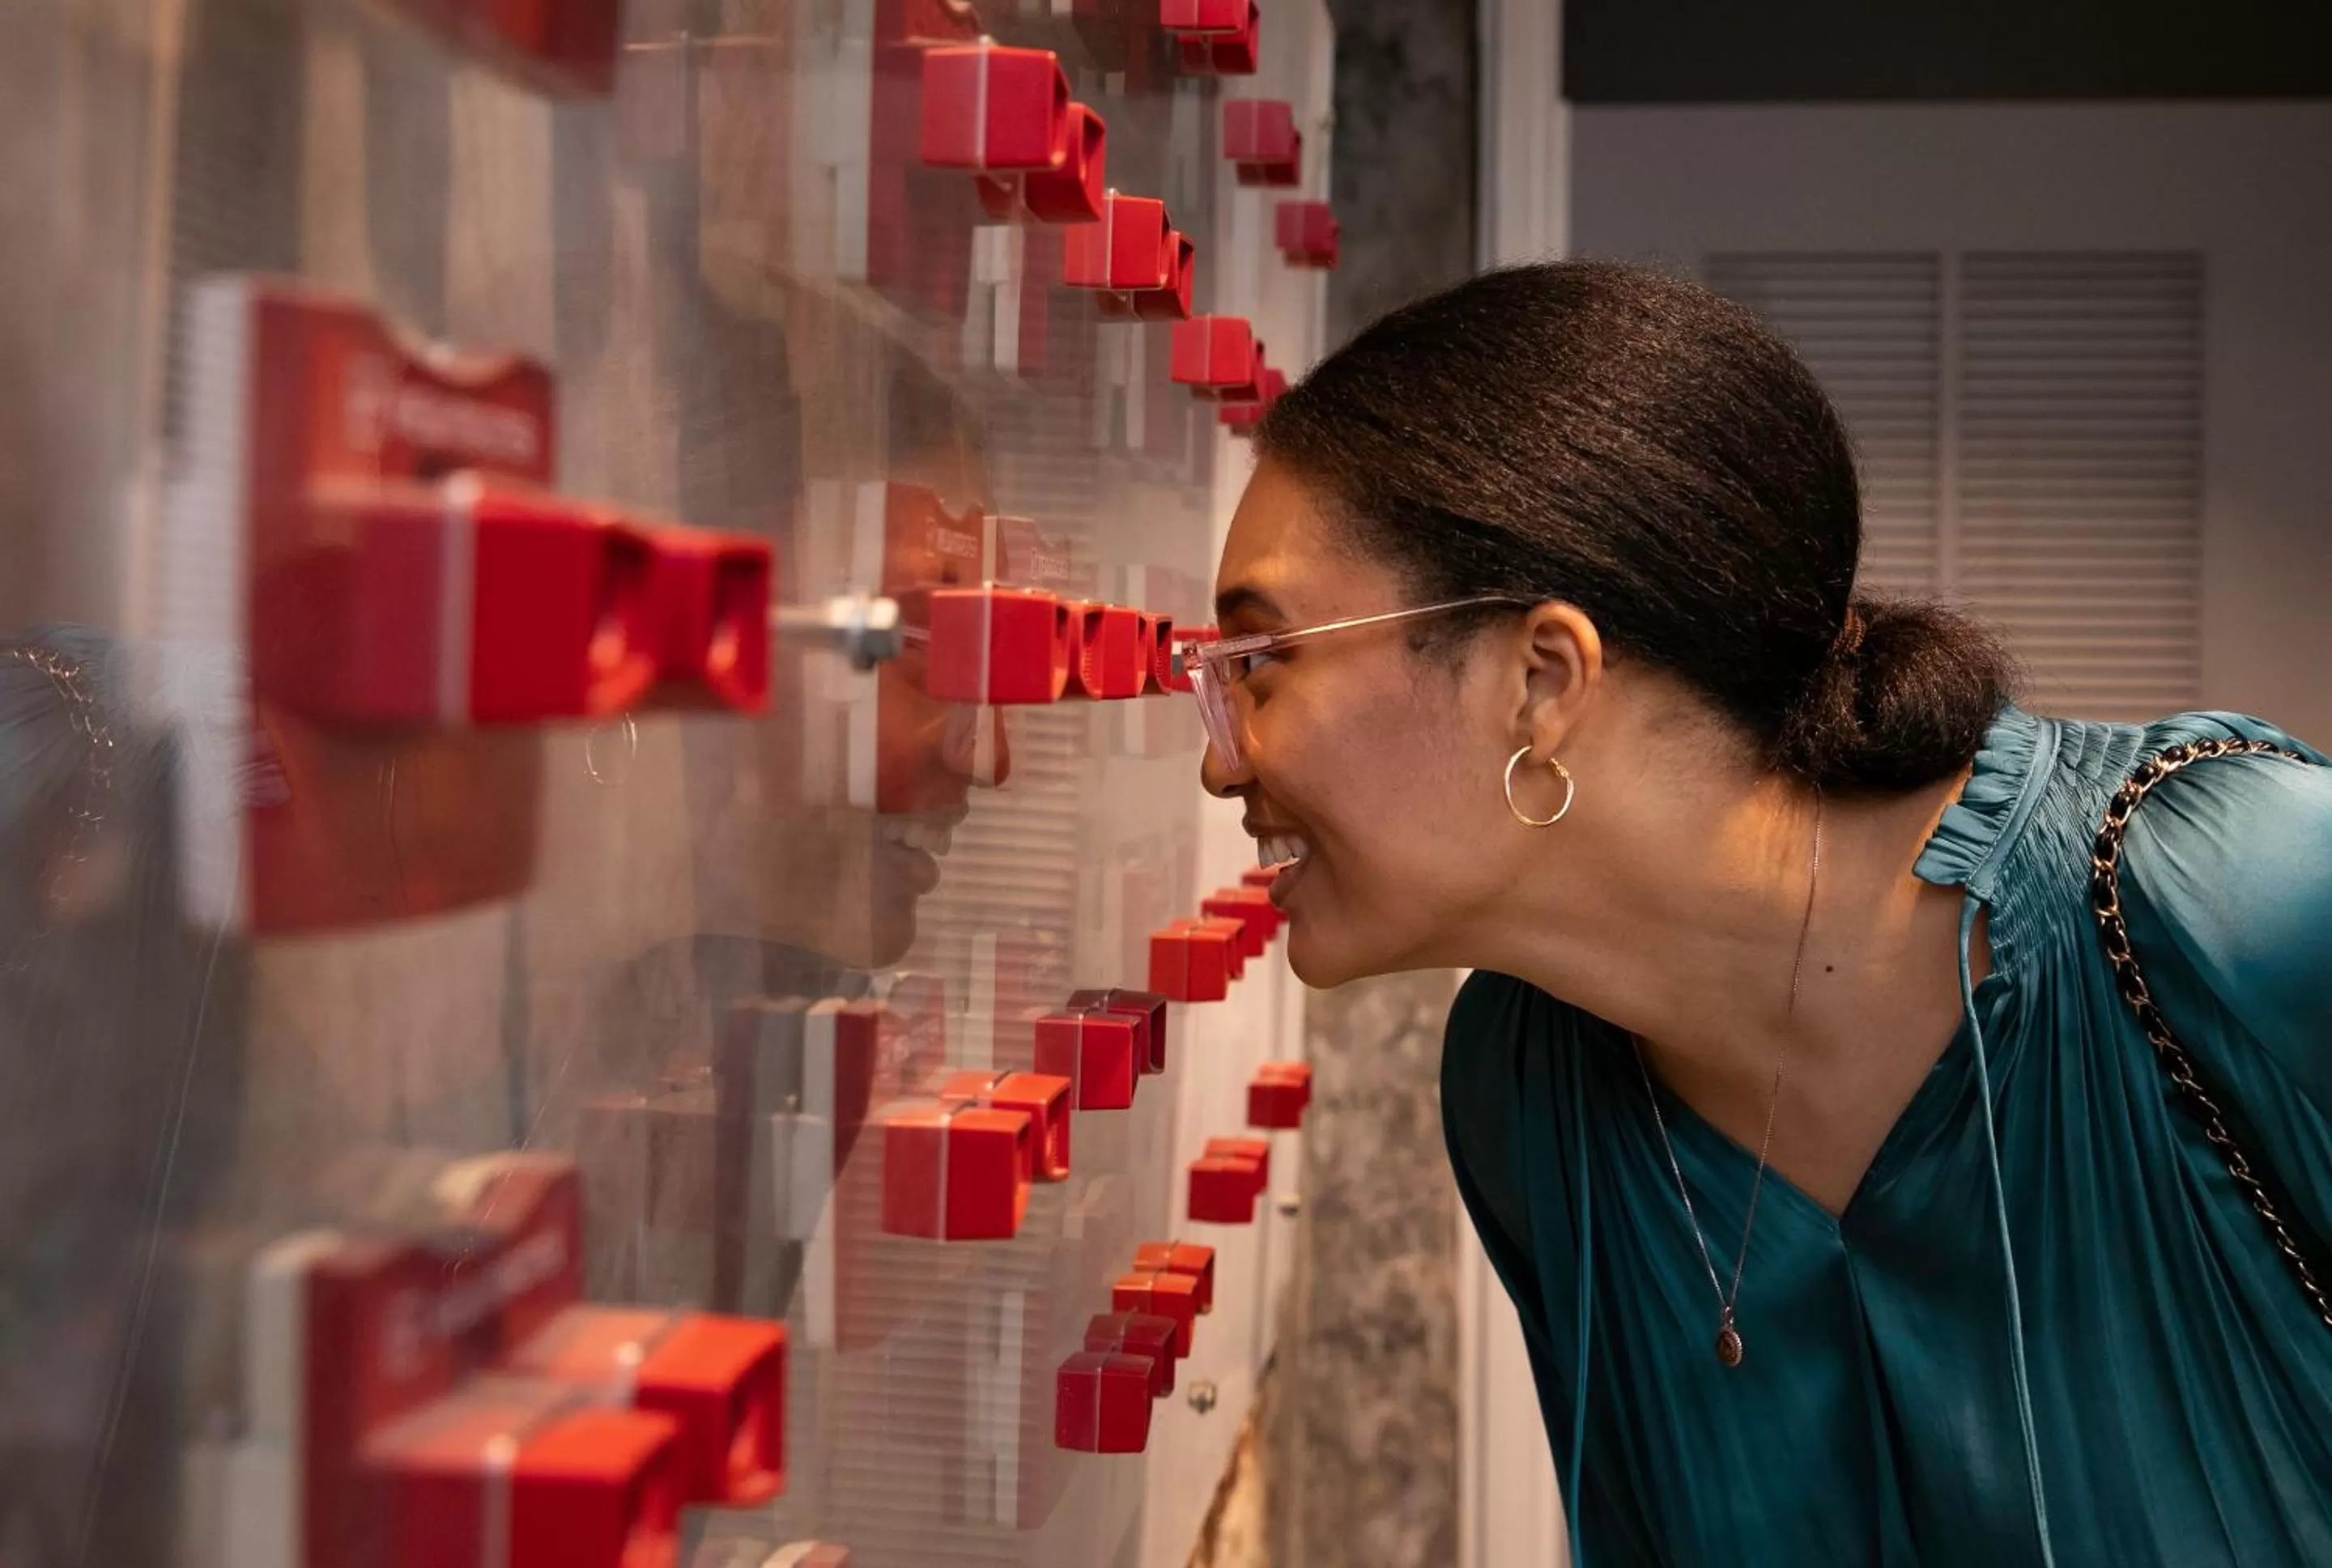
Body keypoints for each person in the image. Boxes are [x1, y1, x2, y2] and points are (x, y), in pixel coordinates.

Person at [1196, 261, 2332, 1566]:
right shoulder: (1525, 1097)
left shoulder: (2237, 893)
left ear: (1540, 680)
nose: (1224, 760)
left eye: (1260, 663)